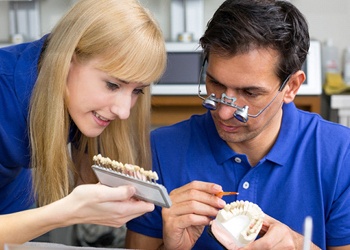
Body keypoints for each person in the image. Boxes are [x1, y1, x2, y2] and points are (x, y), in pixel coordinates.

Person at [125, 0, 350, 249]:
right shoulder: (160, 150)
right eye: (216, 84)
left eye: (250, 93)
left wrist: (300, 245)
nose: (223, 112)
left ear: (292, 87)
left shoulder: (341, 155)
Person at [0, 0, 166, 248]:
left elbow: (87, 180)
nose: (123, 111)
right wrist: (66, 212)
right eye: (113, 85)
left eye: (137, 91)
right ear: (68, 61)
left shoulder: (77, 104)